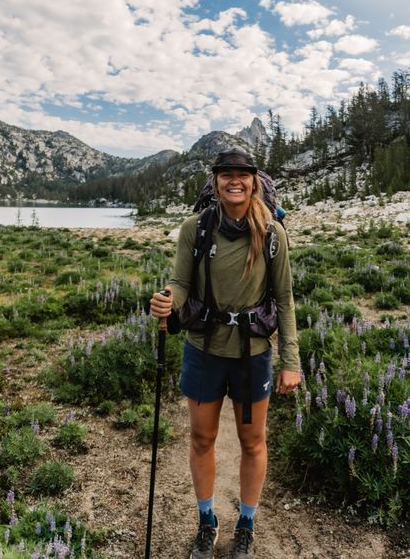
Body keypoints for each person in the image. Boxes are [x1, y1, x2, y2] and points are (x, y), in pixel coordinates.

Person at [150, 148, 301, 559]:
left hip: (253, 353)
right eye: (226, 174)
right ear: (215, 181)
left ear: (254, 180)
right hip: (204, 349)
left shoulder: (272, 232)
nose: (234, 180)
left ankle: (246, 524)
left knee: (253, 441)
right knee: (202, 437)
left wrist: (291, 361)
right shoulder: (195, 228)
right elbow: (181, 282)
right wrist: (169, 300)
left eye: (242, 174)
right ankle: (206, 521)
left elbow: (284, 299)